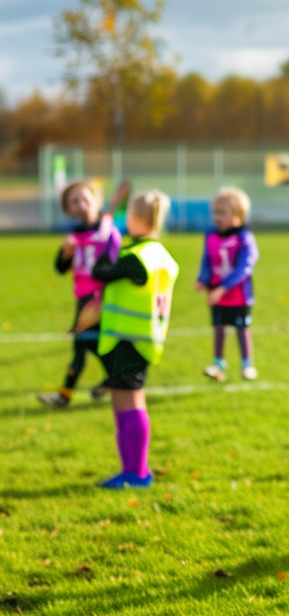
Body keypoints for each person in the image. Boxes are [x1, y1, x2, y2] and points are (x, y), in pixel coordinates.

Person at [92, 190, 179, 489]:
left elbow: (100, 273)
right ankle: (133, 469)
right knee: (126, 401)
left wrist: (108, 247)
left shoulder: (136, 257)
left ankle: (136, 472)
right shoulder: (157, 254)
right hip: (141, 338)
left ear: (134, 217)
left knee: (128, 402)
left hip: (129, 339)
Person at [39, 179, 122, 408]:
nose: (80, 204)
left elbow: (114, 265)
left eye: (85, 198)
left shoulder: (106, 233)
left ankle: (65, 394)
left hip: (101, 298)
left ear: (97, 201)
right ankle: (114, 379)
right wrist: (65, 254)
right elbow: (60, 268)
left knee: (83, 343)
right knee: (90, 344)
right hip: (83, 298)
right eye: (74, 201)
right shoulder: (74, 237)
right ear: (68, 209)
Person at [197, 187, 259, 382]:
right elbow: (207, 260)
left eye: (222, 213)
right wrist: (203, 279)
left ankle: (247, 364)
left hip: (239, 295)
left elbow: (245, 267)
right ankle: (218, 364)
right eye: (215, 213)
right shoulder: (211, 236)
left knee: (242, 328)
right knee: (218, 327)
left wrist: (224, 287)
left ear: (237, 216)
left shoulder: (244, 238)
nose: (217, 217)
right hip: (216, 293)